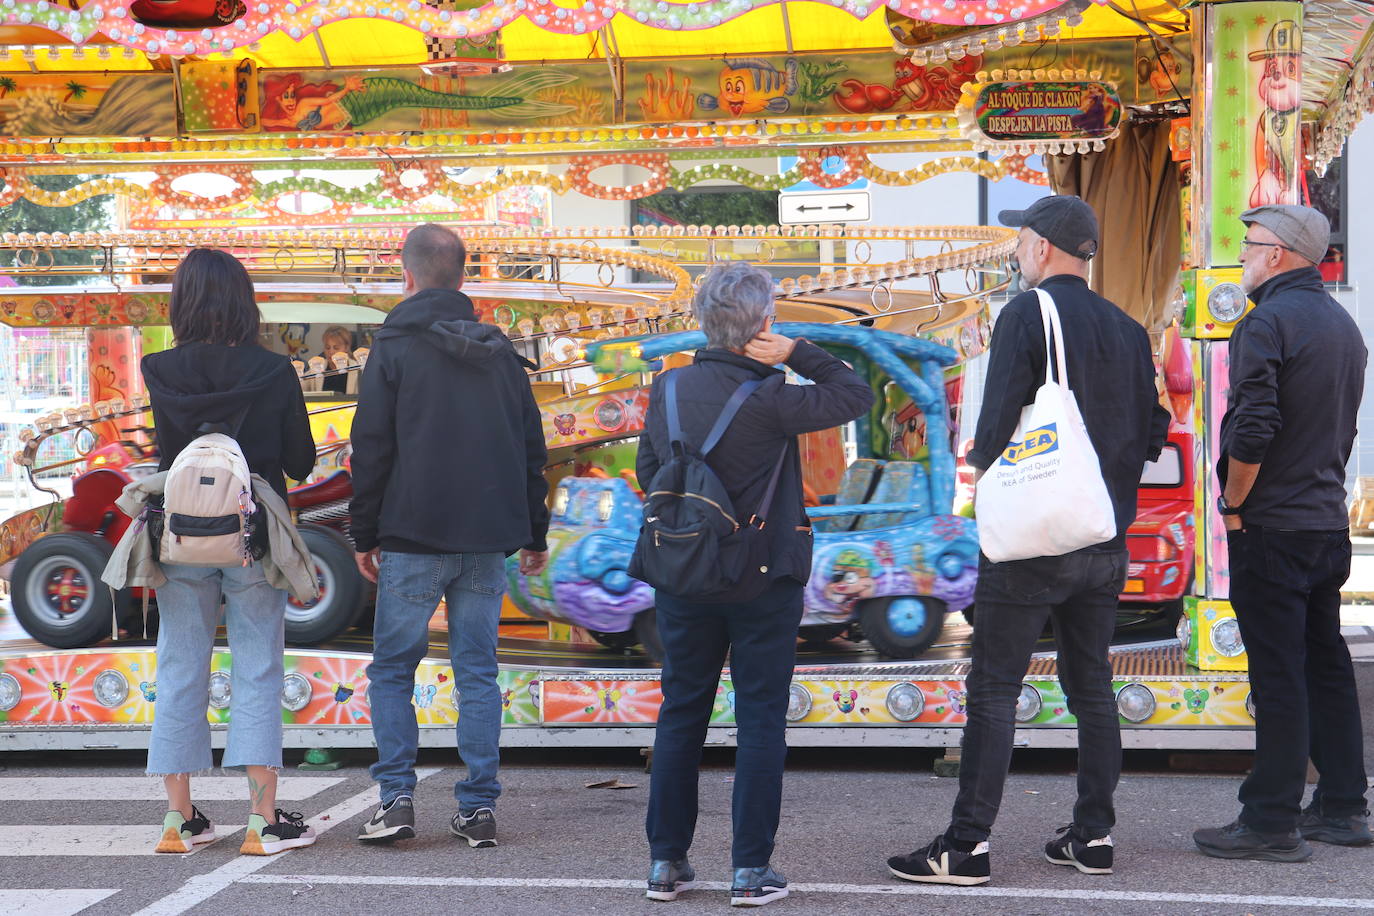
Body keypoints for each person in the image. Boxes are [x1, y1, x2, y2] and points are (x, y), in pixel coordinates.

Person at [886, 196, 1168, 886]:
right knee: (1092, 686)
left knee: (994, 689)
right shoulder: (1129, 328)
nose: (1016, 254)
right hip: (1103, 534)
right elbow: (1154, 428)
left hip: (1033, 540)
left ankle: (966, 846)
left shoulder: (1025, 313)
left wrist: (982, 469)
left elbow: (994, 426)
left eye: (1019, 243)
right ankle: (1093, 837)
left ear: (1042, 248)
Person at [637, 263, 872, 906]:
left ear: (703, 322)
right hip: (764, 577)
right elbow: (855, 394)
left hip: (684, 572)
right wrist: (800, 351)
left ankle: (665, 863)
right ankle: (748, 872)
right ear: (763, 325)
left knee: (682, 711)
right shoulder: (774, 396)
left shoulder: (671, 389)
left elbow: (651, 469)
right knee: (761, 718)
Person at [350, 223, 550, 849]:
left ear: (406, 275)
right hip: (488, 539)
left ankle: (395, 801)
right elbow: (530, 452)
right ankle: (478, 808)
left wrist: (364, 532)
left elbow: (371, 449)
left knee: (392, 672)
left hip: (411, 535)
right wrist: (535, 532)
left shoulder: (393, 348)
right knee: (477, 673)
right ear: (464, 277)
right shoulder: (502, 355)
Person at [1194, 205, 1370, 861]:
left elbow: (1253, 427)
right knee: (1325, 666)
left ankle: (1270, 820)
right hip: (1324, 521)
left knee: (1278, 676)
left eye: (1250, 244)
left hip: (1274, 526)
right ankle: (1344, 808)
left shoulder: (1265, 321)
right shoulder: (1342, 327)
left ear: (1280, 254)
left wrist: (1234, 507)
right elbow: (1341, 430)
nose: (1243, 252)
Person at [140, 248, 318, 855]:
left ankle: (178, 818)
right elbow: (300, 460)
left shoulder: (157, 368)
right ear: (244, 301)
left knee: (180, 664)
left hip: (180, 536)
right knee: (258, 666)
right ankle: (262, 820)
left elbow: (167, 453)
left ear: (181, 302)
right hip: (254, 538)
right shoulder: (272, 371)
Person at [319, 325, 353, 395]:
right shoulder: (317, 367)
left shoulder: (357, 370)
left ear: (346, 348)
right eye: (327, 348)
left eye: (336, 348)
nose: (331, 352)